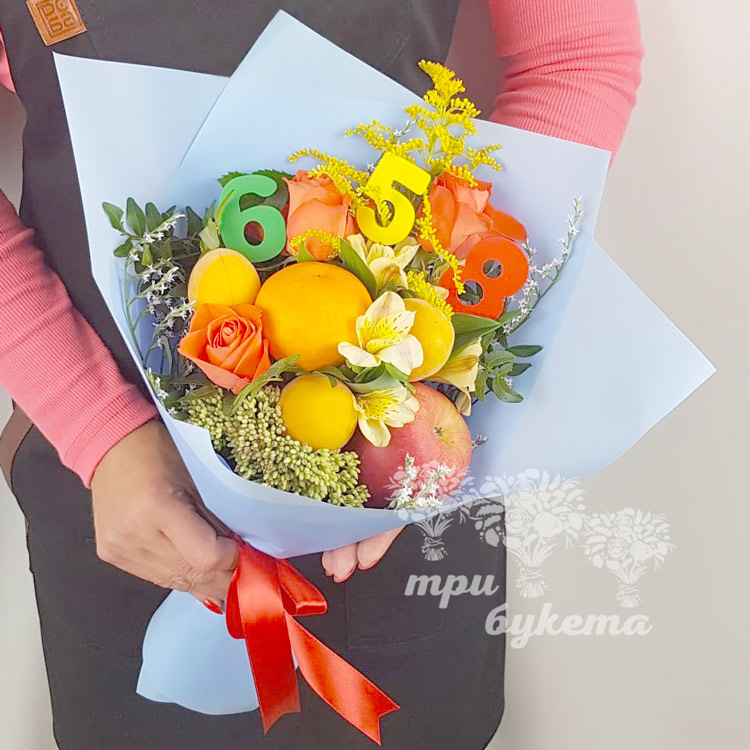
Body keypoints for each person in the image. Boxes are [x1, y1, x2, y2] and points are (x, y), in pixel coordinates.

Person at [0, 1, 643, 748]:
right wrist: (96, 428)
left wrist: (442, 375)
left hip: (405, 472)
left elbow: (577, 55)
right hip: (118, 492)